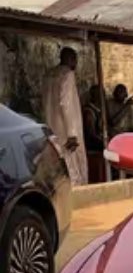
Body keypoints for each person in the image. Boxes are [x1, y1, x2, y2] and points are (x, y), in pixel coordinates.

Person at [42, 46, 88, 185]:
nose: (76, 64)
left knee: (57, 169)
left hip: (51, 128)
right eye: (75, 60)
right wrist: (72, 134)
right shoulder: (67, 74)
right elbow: (66, 104)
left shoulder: (48, 75)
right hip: (67, 130)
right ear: (70, 59)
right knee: (73, 169)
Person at [82, 84, 106, 184]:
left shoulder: (97, 110)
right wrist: (104, 143)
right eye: (102, 95)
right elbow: (91, 136)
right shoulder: (89, 112)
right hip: (91, 147)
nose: (104, 97)